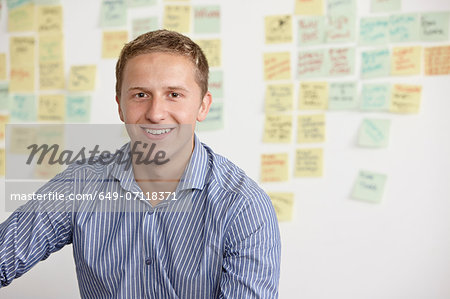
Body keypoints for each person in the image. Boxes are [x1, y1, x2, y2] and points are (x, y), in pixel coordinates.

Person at [0, 30, 281, 298]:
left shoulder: (243, 206)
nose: (156, 113)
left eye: (174, 94)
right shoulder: (80, 184)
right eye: (140, 95)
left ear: (203, 106)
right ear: (120, 106)